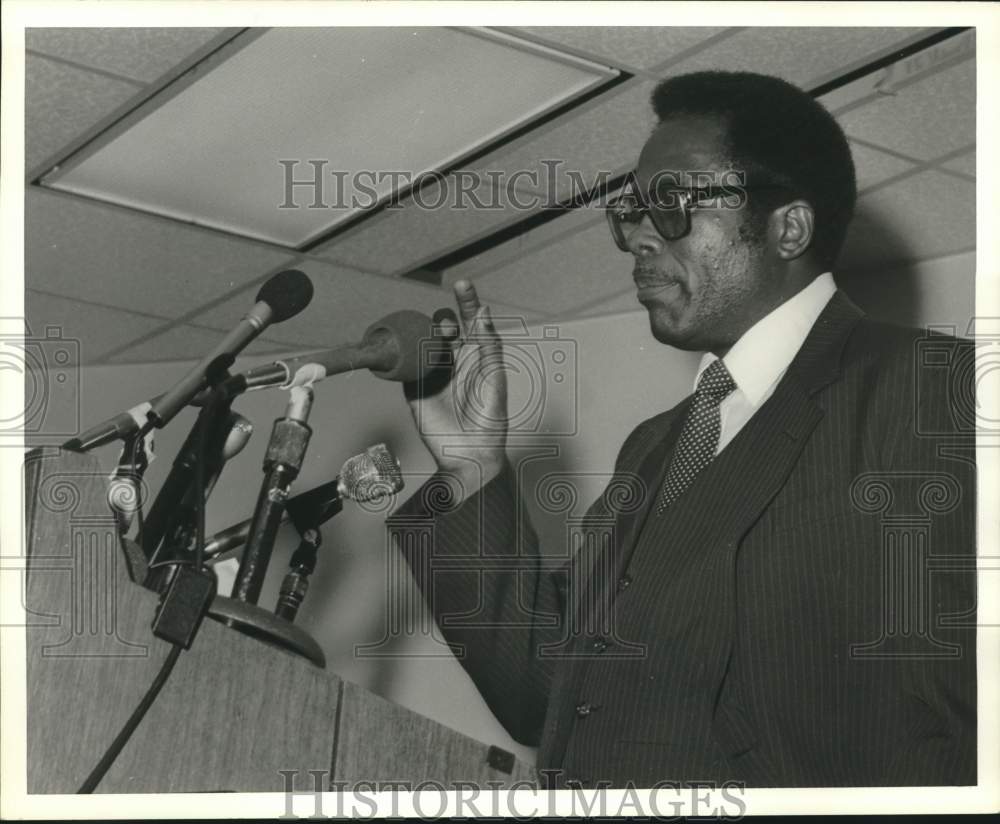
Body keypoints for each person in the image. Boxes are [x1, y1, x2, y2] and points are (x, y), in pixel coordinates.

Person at [388, 71, 976, 788]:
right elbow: (549, 695)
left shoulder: (936, 387)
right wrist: (474, 469)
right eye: (630, 211)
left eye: (670, 205)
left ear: (788, 227)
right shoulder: (655, 447)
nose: (635, 237)